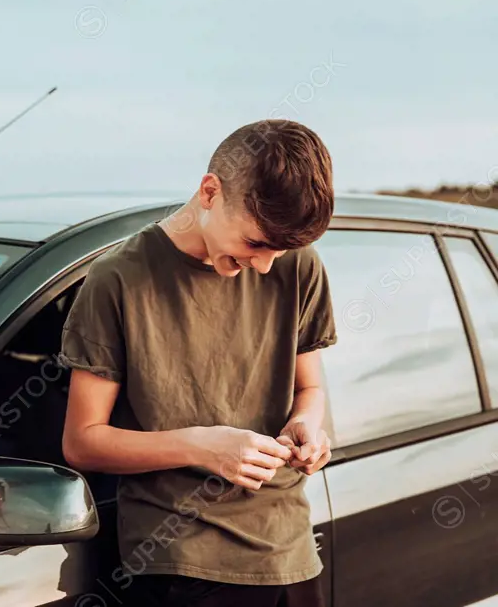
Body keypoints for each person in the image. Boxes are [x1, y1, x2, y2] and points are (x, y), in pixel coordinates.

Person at [59, 119, 337, 607]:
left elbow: (310, 390)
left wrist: (307, 428)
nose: (267, 266)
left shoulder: (299, 265)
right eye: (255, 244)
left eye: (281, 250)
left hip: (292, 553)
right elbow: (83, 442)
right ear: (210, 193)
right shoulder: (117, 281)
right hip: (178, 567)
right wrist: (202, 447)